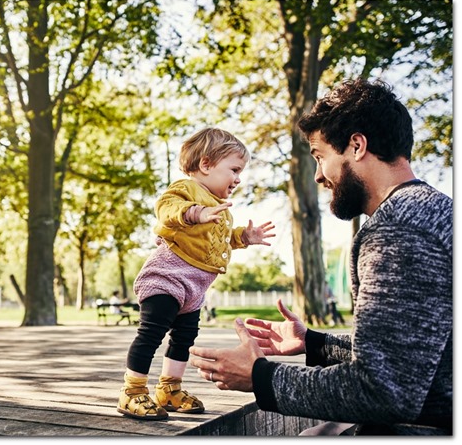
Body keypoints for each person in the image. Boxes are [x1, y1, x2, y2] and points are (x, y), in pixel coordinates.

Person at [188, 78, 452, 435]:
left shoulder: (398, 232)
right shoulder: (429, 211)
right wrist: (315, 344)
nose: (317, 175)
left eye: (320, 156)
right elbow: (410, 355)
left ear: (357, 145)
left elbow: (383, 391)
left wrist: (260, 376)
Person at [116, 127, 276, 421]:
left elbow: (220, 238)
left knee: (184, 338)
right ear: (205, 164)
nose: (238, 178)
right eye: (234, 170)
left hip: (193, 288)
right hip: (166, 278)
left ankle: (169, 389)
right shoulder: (187, 190)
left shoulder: (220, 209)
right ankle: (132, 391)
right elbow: (167, 208)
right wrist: (194, 213)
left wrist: (244, 236)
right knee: (152, 333)